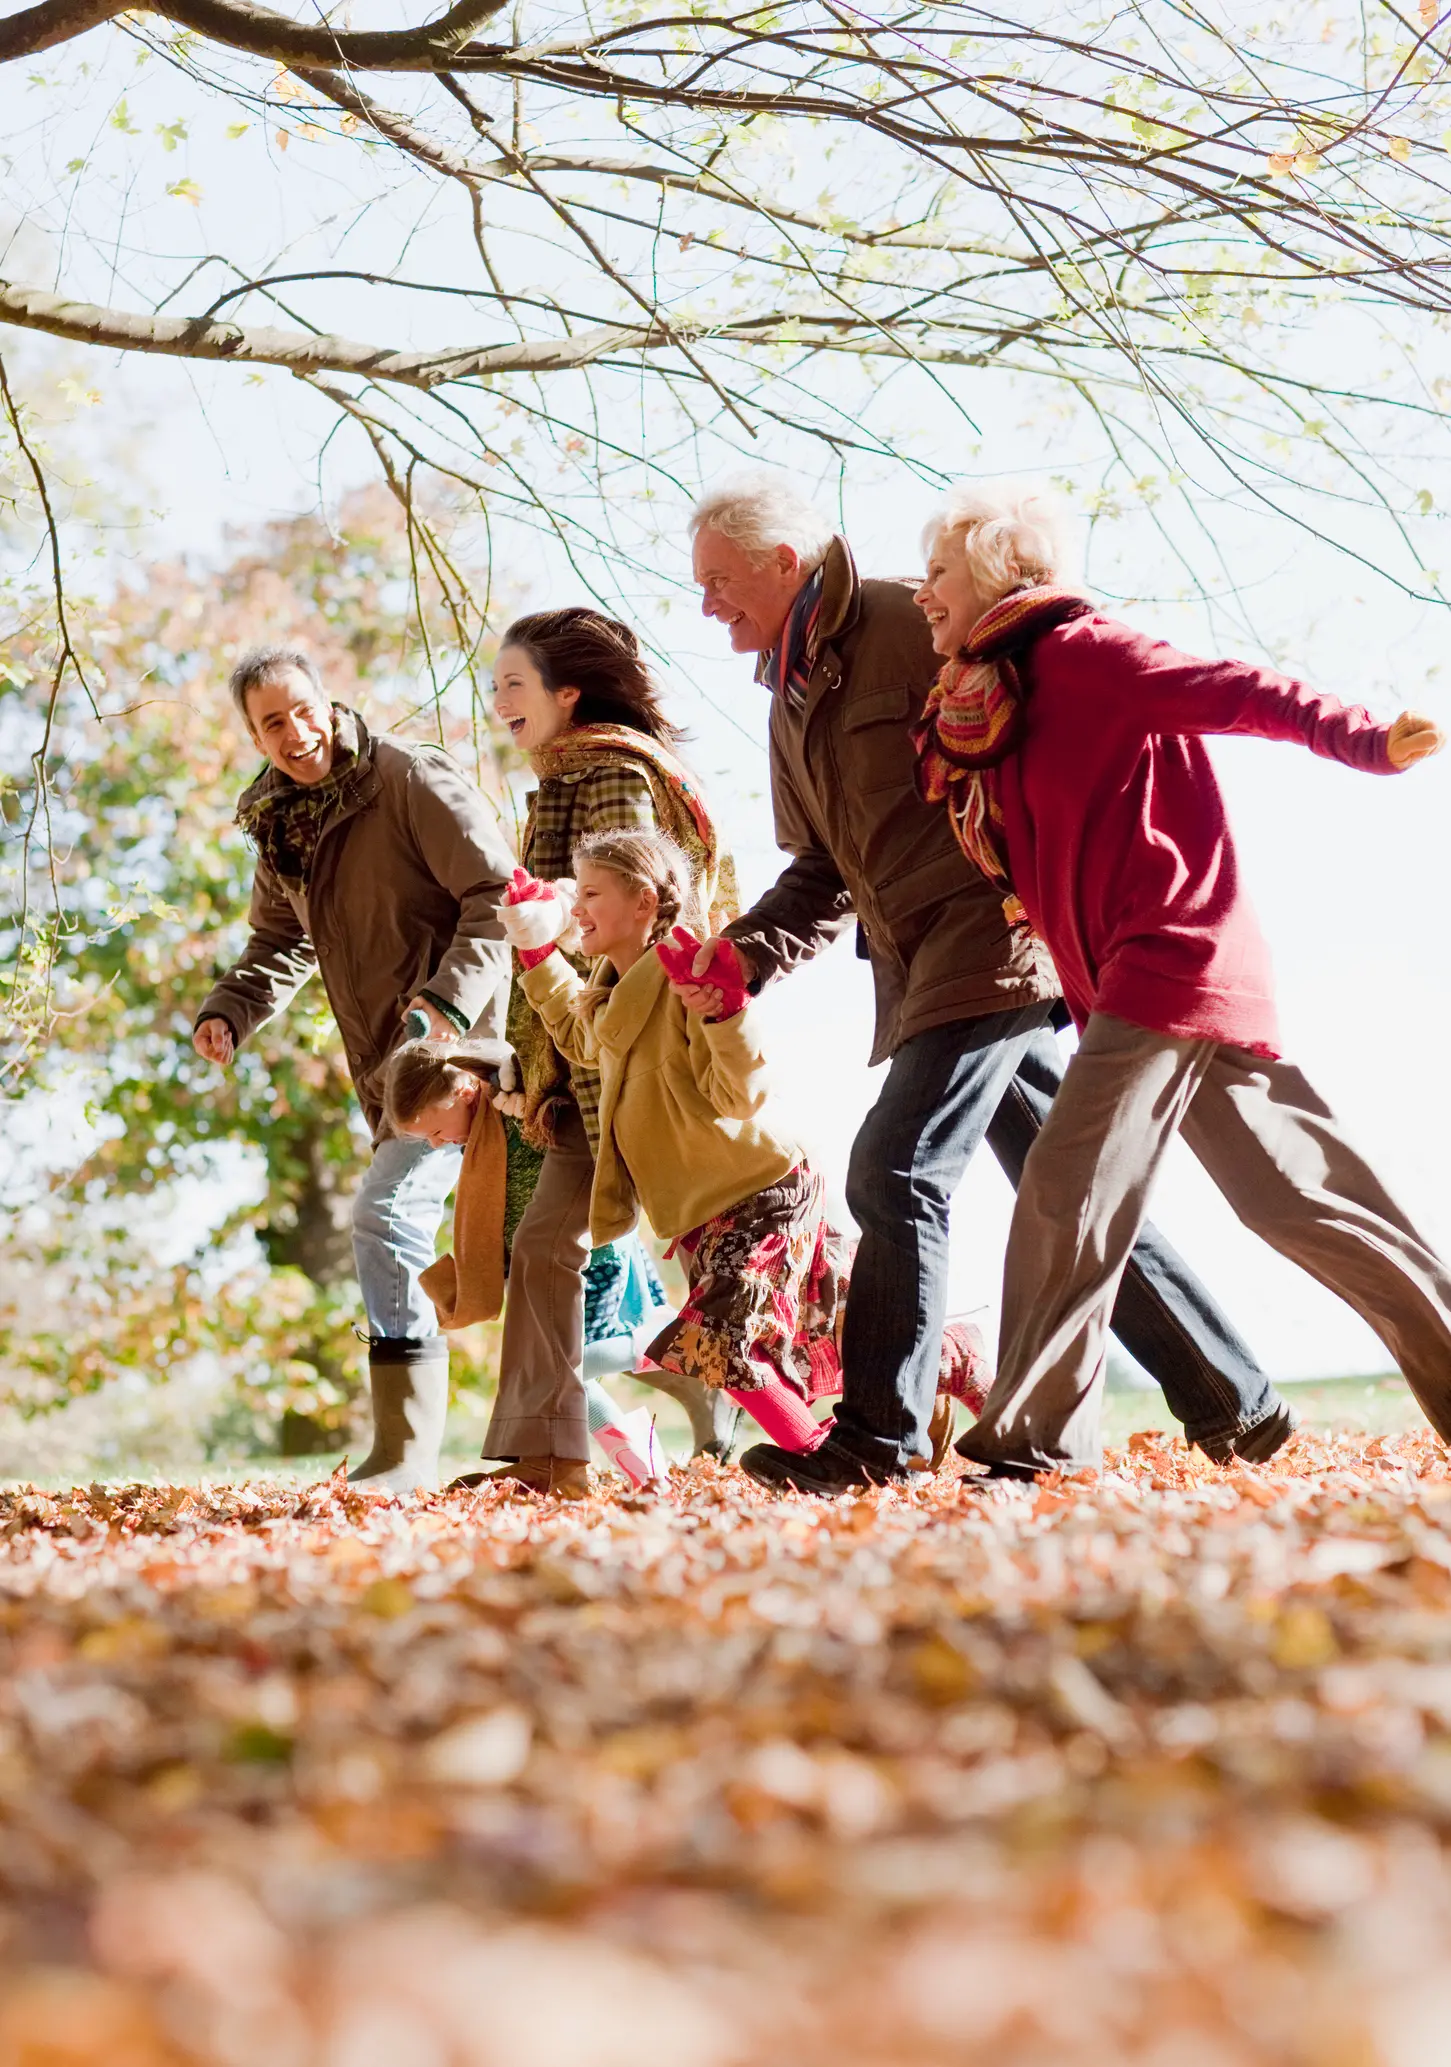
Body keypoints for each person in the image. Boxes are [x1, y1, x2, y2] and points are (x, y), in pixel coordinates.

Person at [684, 473, 1297, 1494]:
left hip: (993, 940)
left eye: (716, 581)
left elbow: (1040, 723)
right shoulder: (786, 699)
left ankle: (875, 1440)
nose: (704, 606)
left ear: (780, 564)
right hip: (919, 968)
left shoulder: (905, 622)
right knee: (1072, 1194)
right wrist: (743, 954)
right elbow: (823, 871)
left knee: (895, 1167)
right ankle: (1234, 1401)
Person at [909, 484, 1451, 1478]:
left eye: (935, 569)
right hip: (1147, 978)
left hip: (1167, 959)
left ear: (997, 567)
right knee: (1296, 1198)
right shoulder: (997, 699)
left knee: (1065, 1188)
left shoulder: (1085, 654)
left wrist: (1365, 740)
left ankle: (1033, 1443)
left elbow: (1237, 689)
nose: (920, 593)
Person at [396, 833, 851, 1463]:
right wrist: (535, 953)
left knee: (718, 1345)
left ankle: (815, 1455)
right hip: (700, 1206)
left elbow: (742, 1095)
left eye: (589, 893)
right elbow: (582, 1038)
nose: (574, 907)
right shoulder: (613, 990)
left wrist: (726, 1011)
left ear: (642, 903)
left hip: (761, 1189)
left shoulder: (685, 976)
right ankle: (953, 1363)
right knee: (834, 1327)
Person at [192, 645, 514, 1492]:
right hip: (388, 1065)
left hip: (462, 1052)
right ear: (255, 737)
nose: (295, 731)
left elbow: (494, 894)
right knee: (546, 1247)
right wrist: (229, 1008)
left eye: (302, 708)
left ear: (327, 700)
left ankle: (404, 1452)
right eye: (272, 722)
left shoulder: (406, 778)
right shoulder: (280, 827)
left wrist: (446, 1005)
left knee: (387, 1212)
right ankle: (680, 1403)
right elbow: (277, 942)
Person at [460, 609, 739, 1495]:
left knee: (735, 1258)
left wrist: (569, 1049)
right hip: (587, 1069)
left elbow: (620, 917)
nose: (496, 698)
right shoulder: (560, 781)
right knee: (545, 1246)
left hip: (646, 1068)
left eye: (513, 682)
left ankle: (880, 1399)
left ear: (565, 693)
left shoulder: (610, 775)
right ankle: (546, 1459)